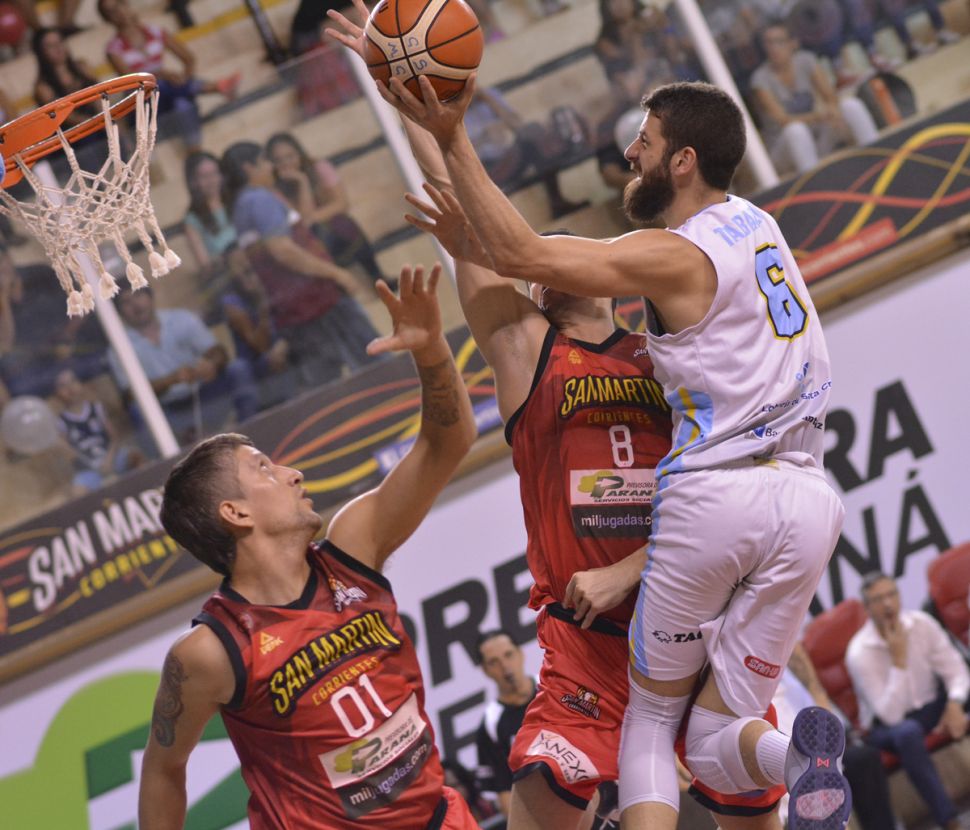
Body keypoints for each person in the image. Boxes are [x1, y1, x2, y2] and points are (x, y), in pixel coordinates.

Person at [359, 49, 851, 828]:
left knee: (695, 763)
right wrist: (417, 111)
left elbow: (703, 503)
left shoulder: (664, 352)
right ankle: (798, 757)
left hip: (678, 593)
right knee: (559, 798)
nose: (554, 260)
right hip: (593, 638)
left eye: (644, 142)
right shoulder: (531, 351)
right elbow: (482, 232)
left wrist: (627, 568)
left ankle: (795, 767)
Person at [137, 263, 480, 829]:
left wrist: (431, 348)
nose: (292, 473)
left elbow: (450, 440)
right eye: (264, 469)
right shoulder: (213, 651)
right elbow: (162, 770)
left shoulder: (354, 548)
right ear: (236, 513)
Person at [220, 141, 379, 389]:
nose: (271, 167)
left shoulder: (242, 206)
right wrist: (336, 274)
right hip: (319, 300)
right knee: (377, 366)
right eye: (264, 161)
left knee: (328, 387)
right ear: (249, 168)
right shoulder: (259, 200)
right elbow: (283, 250)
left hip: (298, 309)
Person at [846, 571, 970, 830]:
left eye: (891, 594)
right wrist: (899, 660)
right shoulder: (859, 652)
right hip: (885, 727)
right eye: (878, 599)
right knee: (908, 733)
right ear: (867, 609)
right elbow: (890, 715)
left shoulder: (921, 624)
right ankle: (949, 820)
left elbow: (957, 671)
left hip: (931, 705)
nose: (888, 604)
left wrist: (955, 704)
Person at [107, 286, 259, 447]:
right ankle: (171, 458)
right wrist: (171, 380)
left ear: (150, 296)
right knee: (137, 410)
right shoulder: (119, 347)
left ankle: (250, 433)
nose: (136, 305)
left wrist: (212, 365)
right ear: (119, 312)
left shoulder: (181, 319)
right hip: (168, 413)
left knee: (238, 368)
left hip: (204, 395)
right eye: (126, 302)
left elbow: (219, 352)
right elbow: (130, 395)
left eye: (138, 295)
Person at [781, 642, 900, 830]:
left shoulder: (787, 660)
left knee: (864, 758)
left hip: (822, 743)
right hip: (793, 760)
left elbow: (816, 693)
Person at [97, 0, 240, 152]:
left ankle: (195, 151)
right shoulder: (113, 49)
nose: (118, 13)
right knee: (163, 85)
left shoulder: (155, 32)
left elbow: (188, 59)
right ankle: (212, 87)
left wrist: (184, 78)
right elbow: (132, 81)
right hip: (143, 100)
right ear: (107, 19)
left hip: (169, 95)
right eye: (111, 12)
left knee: (181, 102)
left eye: (119, 5)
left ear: (126, 5)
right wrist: (161, 74)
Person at [750, 22, 878, 174]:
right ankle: (813, 182)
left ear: (793, 43)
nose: (773, 48)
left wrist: (833, 111)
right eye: (768, 43)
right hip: (783, 148)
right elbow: (783, 120)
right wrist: (819, 116)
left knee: (850, 105)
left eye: (779, 41)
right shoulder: (760, 78)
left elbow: (830, 96)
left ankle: (879, 158)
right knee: (796, 130)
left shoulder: (805, 60)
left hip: (816, 135)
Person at [266, 132, 386, 286]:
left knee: (343, 223)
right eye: (278, 160)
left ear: (299, 154)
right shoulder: (275, 191)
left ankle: (378, 278)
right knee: (317, 233)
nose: (286, 164)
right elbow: (304, 225)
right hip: (309, 241)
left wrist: (313, 217)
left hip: (334, 231)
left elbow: (341, 203)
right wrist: (302, 182)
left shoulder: (318, 167)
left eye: (290, 156)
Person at [463, 86, 589, 220]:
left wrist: (486, 97)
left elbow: (517, 125)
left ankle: (557, 200)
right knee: (530, 144)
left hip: (503, 156)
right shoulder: (451, 110)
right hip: (479, 167)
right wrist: (484, 138)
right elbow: (454, 152)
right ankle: (557, 201)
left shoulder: (489, 95)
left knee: (534, 132)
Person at [218, 244, 296, 410]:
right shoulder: (231, 301)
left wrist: (286, 342)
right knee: (239, 368)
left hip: (288, 344)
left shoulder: (272, 281)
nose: (245, 266)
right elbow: (260, 346)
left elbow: (295, 318)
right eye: (237, 264)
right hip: (256, 363)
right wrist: (261, 301)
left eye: (246, 260)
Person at [473, 630, 537, 817]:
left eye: (508, 655)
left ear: (521, 653)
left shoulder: (552, 686)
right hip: (540, 811)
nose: (505, 666)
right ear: (485, 670)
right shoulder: (490, 725)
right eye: (494, 662)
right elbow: (504, 791)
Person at [52, 367, 143, 494]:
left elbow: (114, 437)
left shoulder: (96, 408)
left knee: (136, 457)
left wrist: (109, 459)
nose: (70, 388)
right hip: (88, 469)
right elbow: (69, 453)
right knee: (78, 492)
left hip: (112, 458)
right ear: (57, 394)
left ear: (81, 384)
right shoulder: (60, 422)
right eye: (63, 386)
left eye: (72, 381)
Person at [182, 151, 238, 269]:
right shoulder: (192, 220)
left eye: (215, 173)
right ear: (193, 182)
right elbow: (206, 265)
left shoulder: (236, 200)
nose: (212, 180)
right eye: (204, 176)